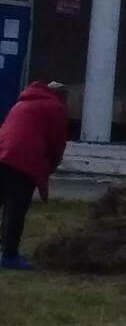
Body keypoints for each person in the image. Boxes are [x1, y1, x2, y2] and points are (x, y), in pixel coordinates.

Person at [0, 81, 70, 271]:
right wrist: (52, 164)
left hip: (2, 152)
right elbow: (57, 141)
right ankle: (8, 255)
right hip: (23, 160)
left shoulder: (22, 102)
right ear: (62, 96)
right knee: (15, 209)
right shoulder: (55, 107)